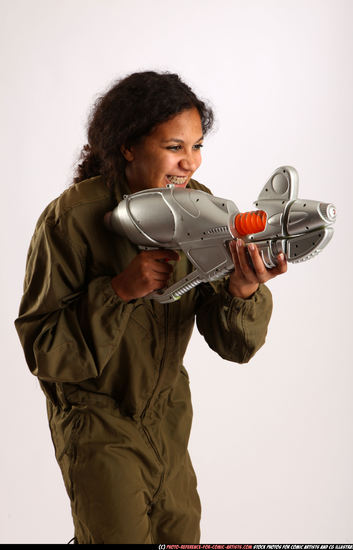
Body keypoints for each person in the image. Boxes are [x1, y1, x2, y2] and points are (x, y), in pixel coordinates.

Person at [15, 71, 287, 544]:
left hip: (168, 419)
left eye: (198, 146)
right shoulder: (73, 219)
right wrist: (119, 290)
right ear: (128, 146)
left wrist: (242, 289)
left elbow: (235, 347)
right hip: (97, 422)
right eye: (175, 147)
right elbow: (45, 352)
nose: (190, 163)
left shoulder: (199, 208)